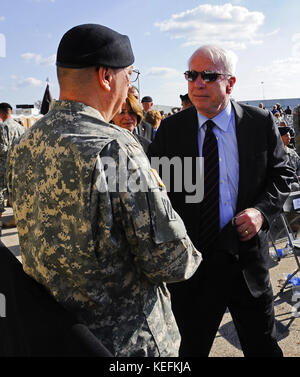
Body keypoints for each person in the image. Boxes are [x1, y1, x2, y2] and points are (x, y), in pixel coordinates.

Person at [6, 23, 201, 357]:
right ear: (106, 77)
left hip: (55, 336)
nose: (129, 87)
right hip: (126, 344)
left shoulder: (25, 144)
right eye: (130, 76)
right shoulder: (114, 147)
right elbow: (172, 261)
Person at [148, 44, 294, 357]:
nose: (197, 83)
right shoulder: (171, 131)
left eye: (208, 76)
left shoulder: (259, 124)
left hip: (247, 262)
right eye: (191, 75)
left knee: (263, 347)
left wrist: (260, 213)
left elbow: (283, 177)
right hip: (192, 268)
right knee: (187, 350)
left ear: (230, 82)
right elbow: (155, 191)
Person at [0, 102, 25, 232]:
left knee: (0, 191)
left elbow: (3, 148)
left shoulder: (3, 126)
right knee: (15, 191)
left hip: (4, 164)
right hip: (18, 164)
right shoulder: (20, 127)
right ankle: (15, 218)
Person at [279, 126, 300, 190]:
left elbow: (299, 165)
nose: (289, 138)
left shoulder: (292, 152)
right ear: (279, 137)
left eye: (289, 135)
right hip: (284, 185)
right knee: (295, 187)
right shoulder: (275, 153)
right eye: (286, 136)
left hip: (296, 181)